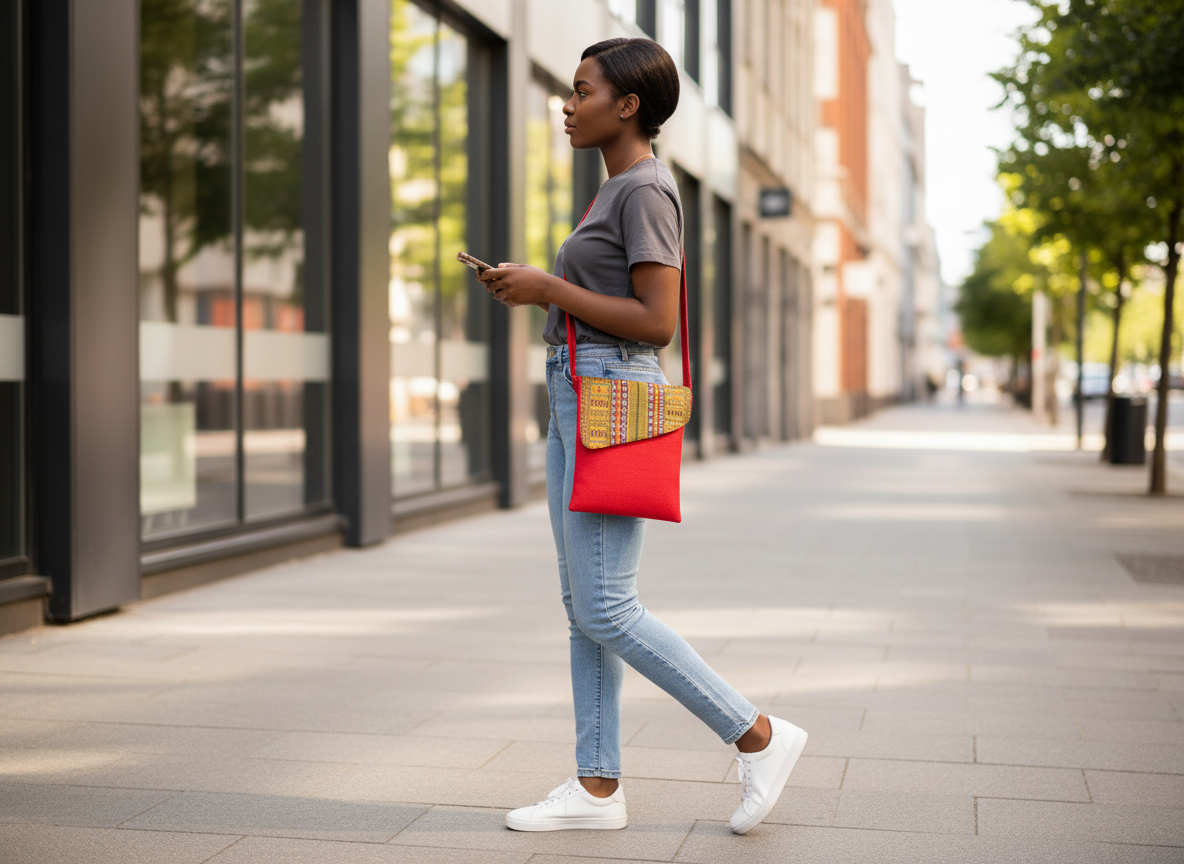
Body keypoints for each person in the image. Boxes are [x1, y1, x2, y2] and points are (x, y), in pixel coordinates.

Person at [476, 37, 807, 836]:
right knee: (582, 606)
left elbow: (657, 322)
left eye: (582, 90)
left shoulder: (645, 190)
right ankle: (596, 789)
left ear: (627, 106)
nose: (567, 102)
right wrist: (544, 295)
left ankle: (758, 735)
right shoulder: (618, 188)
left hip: (610, 390)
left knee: (607, 605)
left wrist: (548, 286)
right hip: (579, 389)